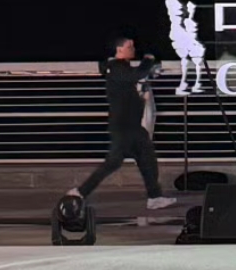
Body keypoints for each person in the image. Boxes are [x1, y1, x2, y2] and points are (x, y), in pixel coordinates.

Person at [68, 36, 177, 210]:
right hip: (123, 127)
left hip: (133, 126)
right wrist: (148, 60)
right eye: (129, 47)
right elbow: (137, 75)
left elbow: (130, 87)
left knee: (147, 159)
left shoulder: (121, 69)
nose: (133, 49)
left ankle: (155, 197)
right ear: (119, 50)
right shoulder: (116, 68)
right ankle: (80, 192)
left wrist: (140, 97)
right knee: (113, 162)